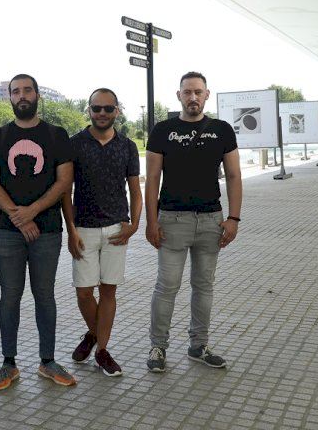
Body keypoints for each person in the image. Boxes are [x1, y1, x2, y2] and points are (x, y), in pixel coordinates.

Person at [145, 71, 242, 372]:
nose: (193, 97)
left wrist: (233, 218)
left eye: (198, 92)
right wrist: (151, 222)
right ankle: (158, 347)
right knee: (167, 286)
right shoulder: (163, 130)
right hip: (172, 220)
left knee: (204, 286)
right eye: (187, 92)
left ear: (207, 95)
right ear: (179, 96)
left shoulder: (222, 130)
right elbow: (152, 179)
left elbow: (234, 176)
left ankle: (199, 345)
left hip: (211, 221)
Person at [0, 74, 75, 391]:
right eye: (15, 91)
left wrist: (32, 211)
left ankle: (47, 361)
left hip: (47, 230)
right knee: (10, 296)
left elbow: (64, 181)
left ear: (37, 95)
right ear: (9, 97)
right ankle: (8, 364)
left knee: (44, 295)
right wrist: (19, 218)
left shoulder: (56, 135)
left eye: (27, 90)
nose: (21, 95)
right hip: (6, 231)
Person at [62, 88, 142, 377]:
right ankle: (94, 333)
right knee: (84, 292)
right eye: (97, 108)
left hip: (116, 229)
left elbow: (135, 190)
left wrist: (134, 224)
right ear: (89, 110)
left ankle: (101, 350)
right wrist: (70, 229)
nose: (102, 113)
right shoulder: (74, 144)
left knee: (108, 290)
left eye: (108, 108)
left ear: (117, 111)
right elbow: (65, 191)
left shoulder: (127, 146)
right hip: (83, 228)